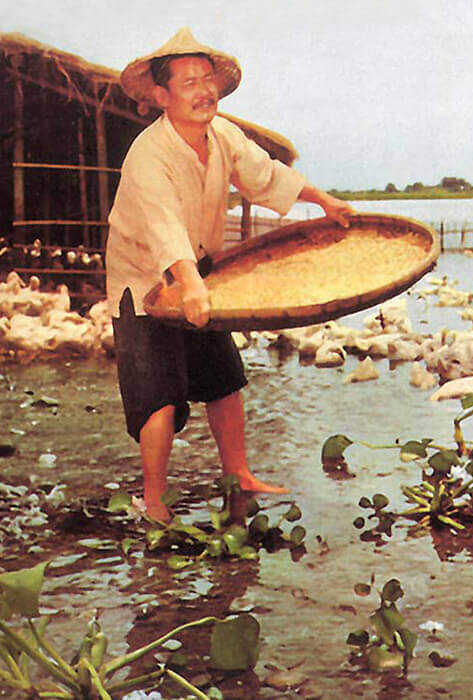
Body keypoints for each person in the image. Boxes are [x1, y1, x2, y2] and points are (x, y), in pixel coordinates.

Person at [107, 28, 354, 522]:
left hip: (199, 271)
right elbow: (163, 226)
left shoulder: (223, 136)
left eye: (208, 79)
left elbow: (268, 176)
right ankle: (153, 500)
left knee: (224, 378)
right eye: (189, 82)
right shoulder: (148, 154)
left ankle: (239, 474)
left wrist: (323, 201)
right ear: (162, 96)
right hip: (143, 280)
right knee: (158, 396)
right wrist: (189, 284)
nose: (204, 91)